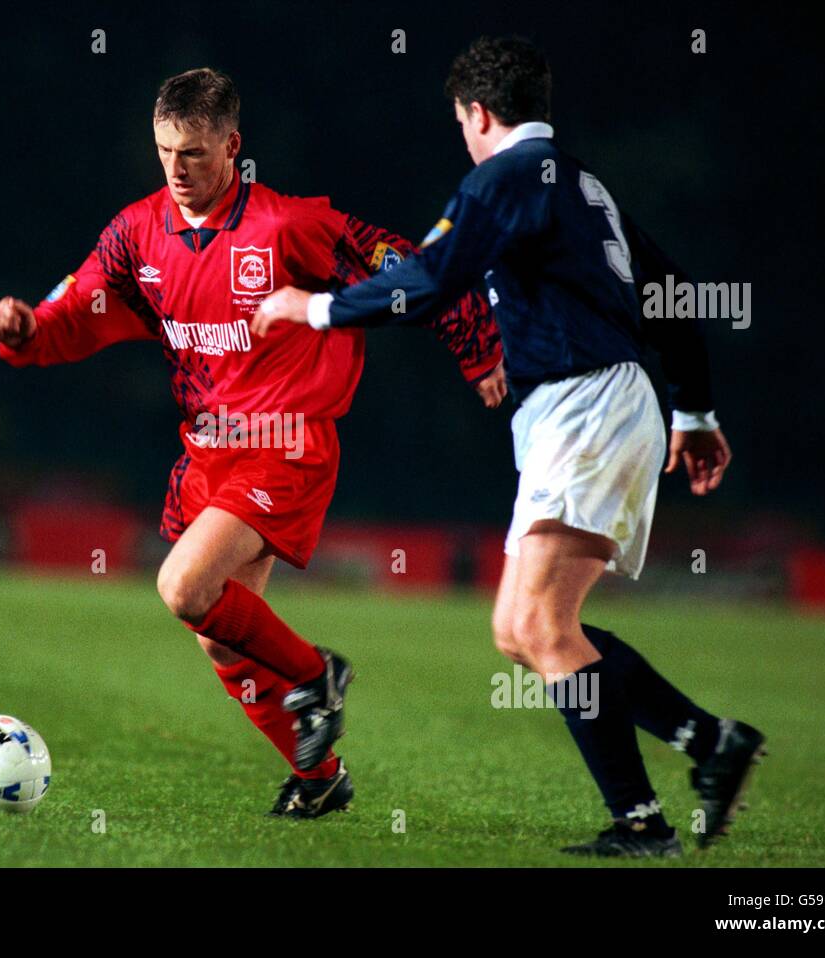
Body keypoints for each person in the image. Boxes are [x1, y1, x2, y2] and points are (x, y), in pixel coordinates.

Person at [252, 38, 763, 855]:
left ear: (479, 113)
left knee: (540, 623)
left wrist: (308, 309)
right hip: (600, 404)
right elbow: (671, 292)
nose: (463, 136)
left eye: (461, 122)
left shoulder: (507, 177)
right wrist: (694, 412)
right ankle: (708, 744)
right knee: (524, 629)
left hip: (585, 404)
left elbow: (426, 281)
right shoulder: (580, 183)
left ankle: (643, 820)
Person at [0, 68, 504, 818]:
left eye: (193, 152)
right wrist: (28, 329)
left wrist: (476, 342)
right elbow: (83, 304)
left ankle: (317, 675)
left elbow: (411, 271)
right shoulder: (138, 233)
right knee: (223, 642)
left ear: (232, 146)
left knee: (183, 588)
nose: (176, 169)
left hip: (285, 444)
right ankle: (321, 778)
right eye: (164, 151)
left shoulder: (288, 227)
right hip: (209, 454)